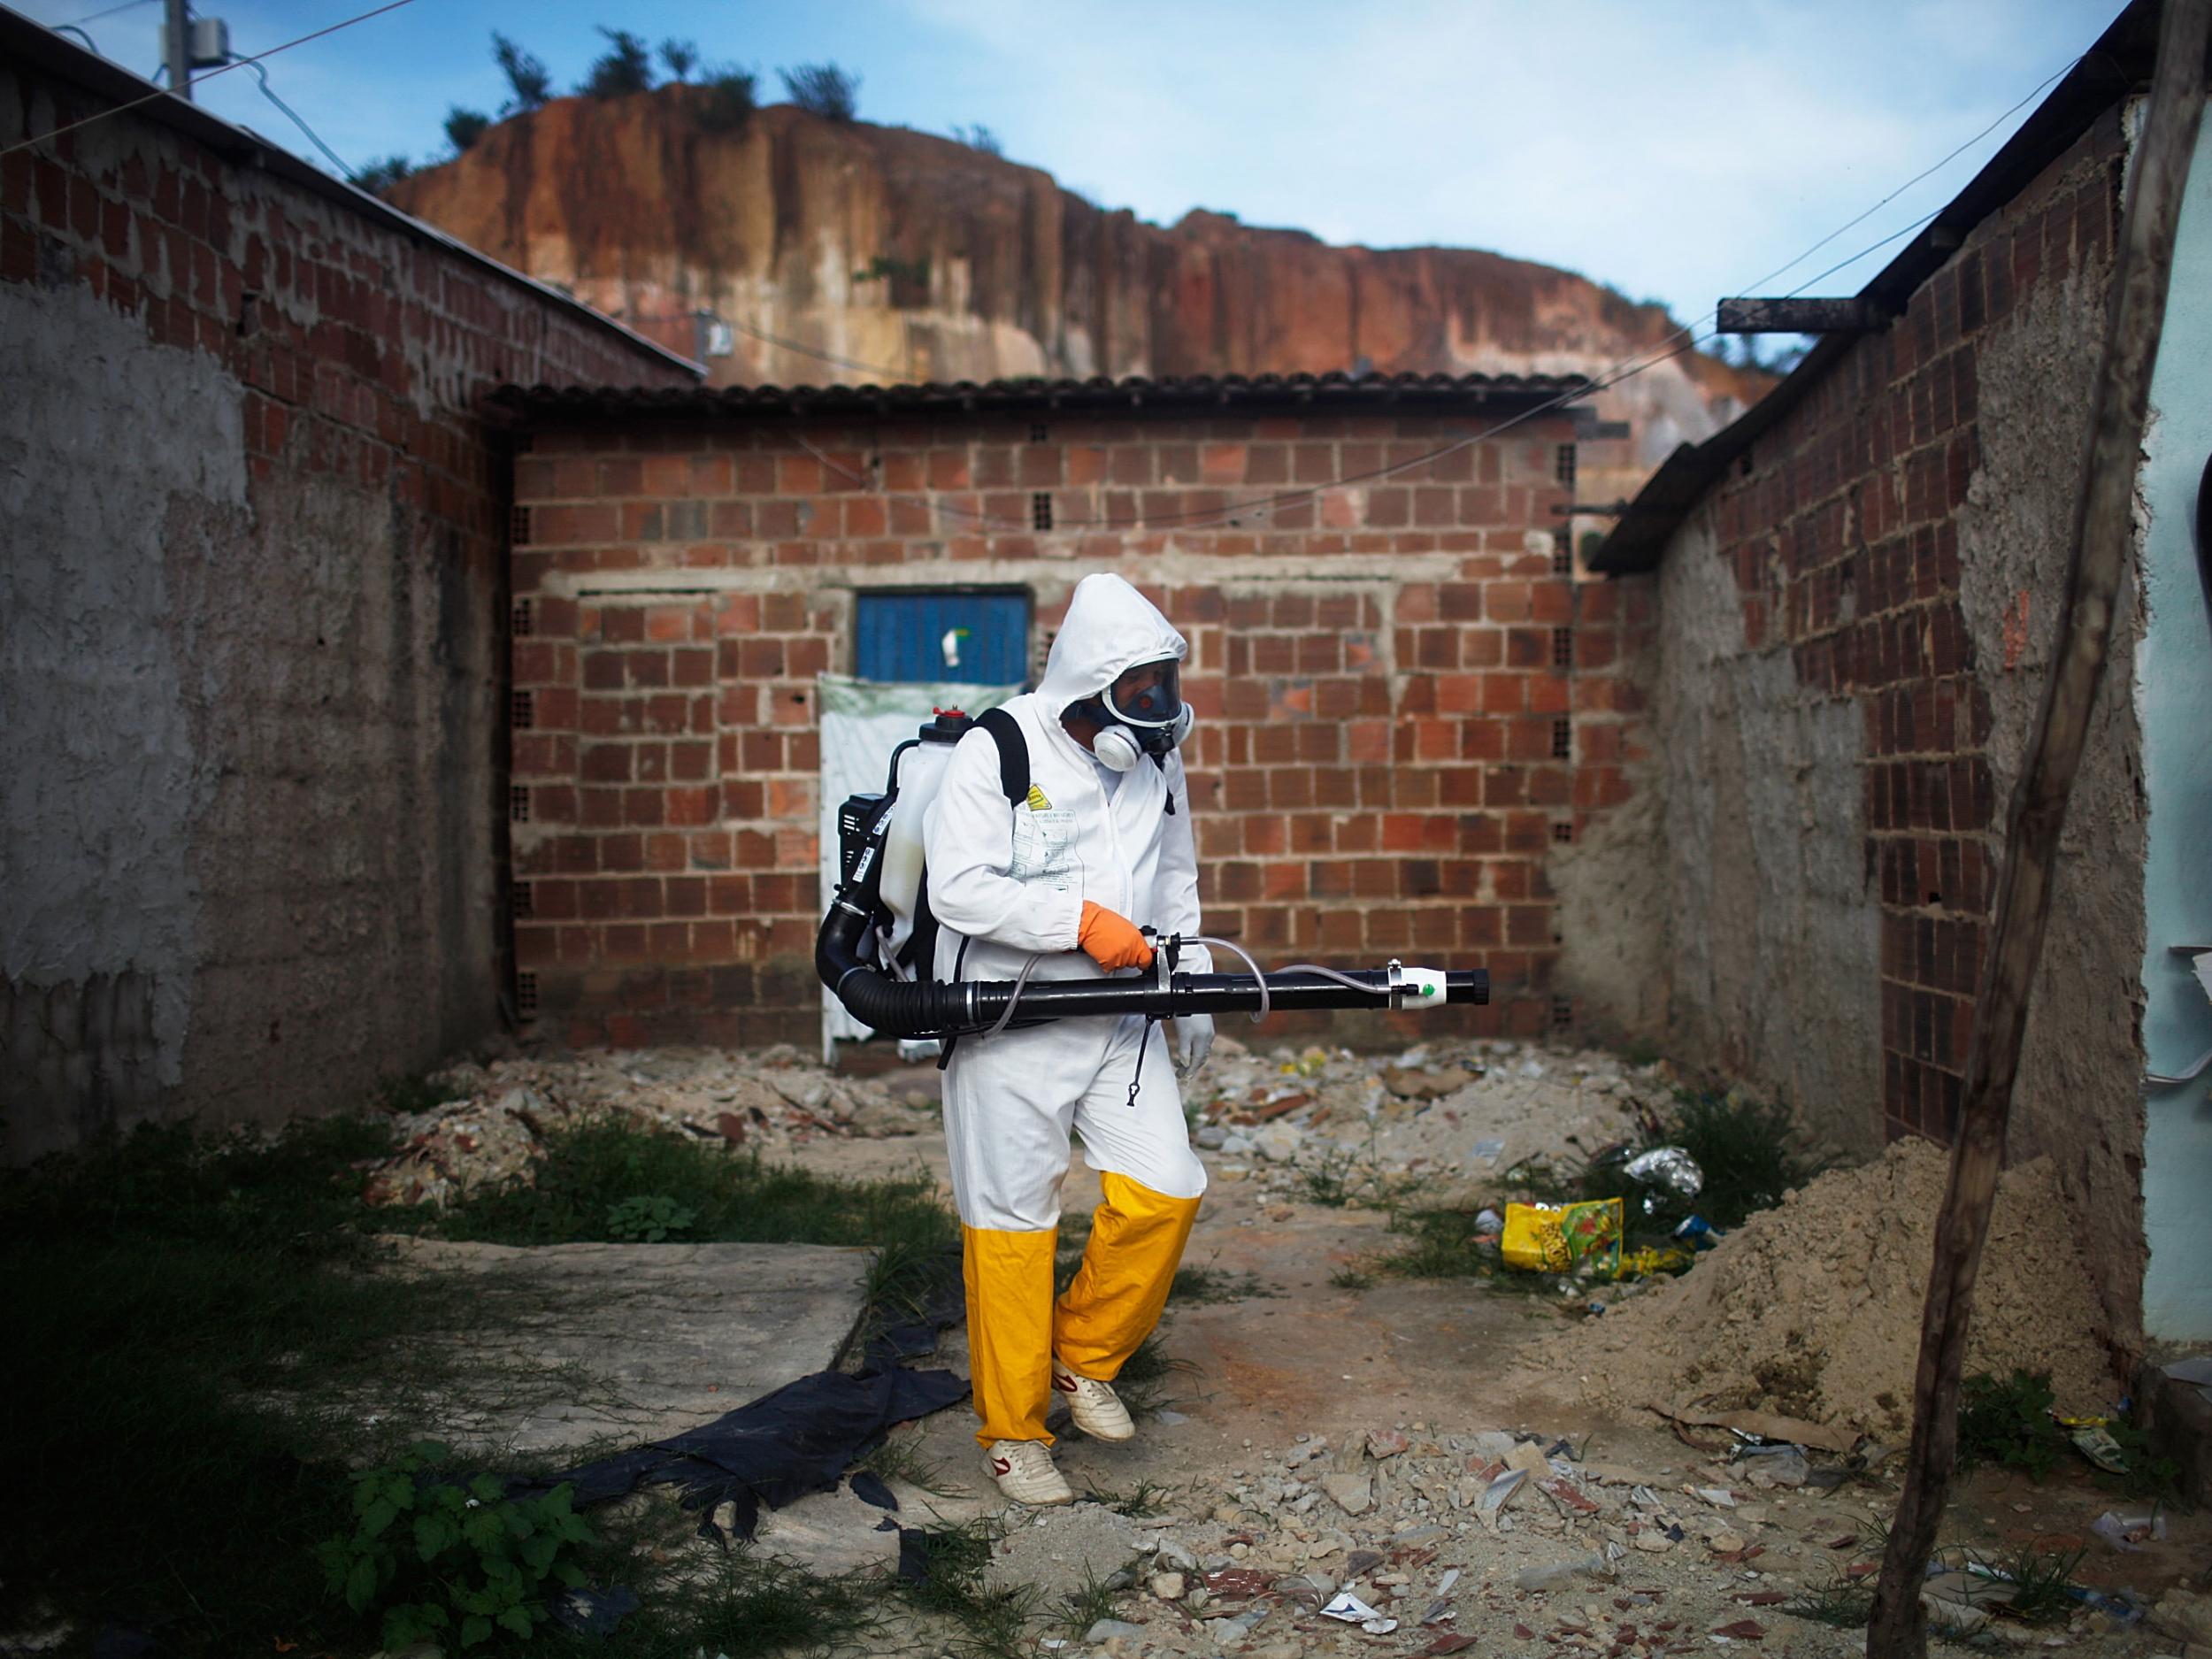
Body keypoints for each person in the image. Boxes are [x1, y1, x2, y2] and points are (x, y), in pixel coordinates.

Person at [923, 572, 1216, 1505]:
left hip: (1120, 1015)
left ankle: (1080, 1354)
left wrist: (1192, 978)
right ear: (1091, 683)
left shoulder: (1154, 764)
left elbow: (1173, 879)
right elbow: (956, 888)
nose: (1156, 708)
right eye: (1140, 691)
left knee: (1167, 1188)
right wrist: (1076, 920)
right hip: (1009, 1018)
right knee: (1012, 1225)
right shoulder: (997, 749)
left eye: (1164, 686)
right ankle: (1013, 1434)